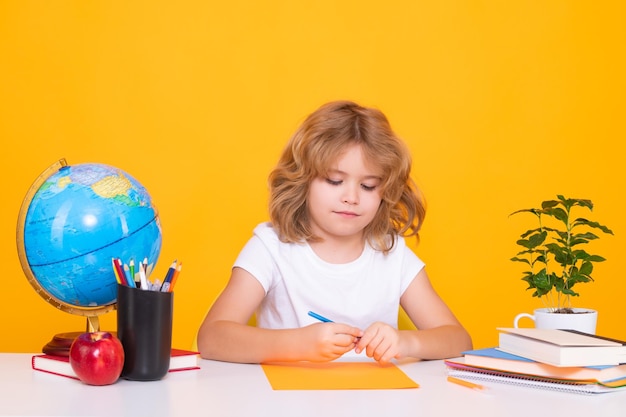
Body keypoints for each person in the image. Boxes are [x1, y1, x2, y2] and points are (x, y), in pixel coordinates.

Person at [197, 100, 472, 364]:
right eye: (335, 180)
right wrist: (298, 344)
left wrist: (406, 343)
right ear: (302, 179)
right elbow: (212, 338)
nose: (351, 197)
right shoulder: (271, 247)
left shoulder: (392, 253)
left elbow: (459, 341)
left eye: (368, 186)